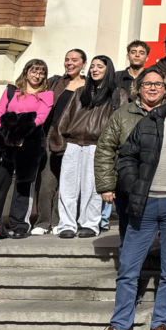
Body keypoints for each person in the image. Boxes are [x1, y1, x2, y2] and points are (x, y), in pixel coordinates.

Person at [85, 75, 166, 330]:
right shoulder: (151, 120)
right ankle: (120, 327)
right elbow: (126, 156)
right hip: (145, 205)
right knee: (128, 269)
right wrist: (132, 185)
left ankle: (160, 324)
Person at [50, 56, 127, 239]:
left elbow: (121, 122)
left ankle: (90, 223)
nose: (95, 69)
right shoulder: (80, 92)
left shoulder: (117, 94)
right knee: (68, 187)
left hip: (97, 146)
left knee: (92, 188)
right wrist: (60, 142)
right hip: (73, 144)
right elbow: (65, 117)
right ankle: (66, 224)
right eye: (92, 66)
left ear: (108, 69)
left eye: (100, 66)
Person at [95, 67, 166, 243]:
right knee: (129, 233)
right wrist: (106, 186)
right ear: (138, 88)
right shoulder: (122, 114)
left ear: (165, 89)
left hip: (164, 186)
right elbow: (106, 149)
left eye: (158, 84)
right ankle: (130, 268)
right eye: (147, 84)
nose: (152, 88)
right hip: (128, 187)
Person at [0, 60, 53, 238]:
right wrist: (6, 133)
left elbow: (40, 118)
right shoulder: (11, 91)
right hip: (5, 143)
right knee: (0, 183)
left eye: (41, 73)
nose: (37, 76)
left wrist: (20, 134)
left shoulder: (46, 95)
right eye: (34, 71)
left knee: (24, 185)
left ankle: (19, 226)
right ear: (26, 72)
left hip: (29, 144)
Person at [33, 49, 87, 235]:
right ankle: (42, 222)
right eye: (66, 60)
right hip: (51, 134)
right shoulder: (56, 82)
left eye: (74, 60)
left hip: (74, 138)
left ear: (83, 64)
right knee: (47, 180)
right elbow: (33, 92)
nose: (69, 63)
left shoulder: (88, 86)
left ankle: (58, 221)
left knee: (67, 182)